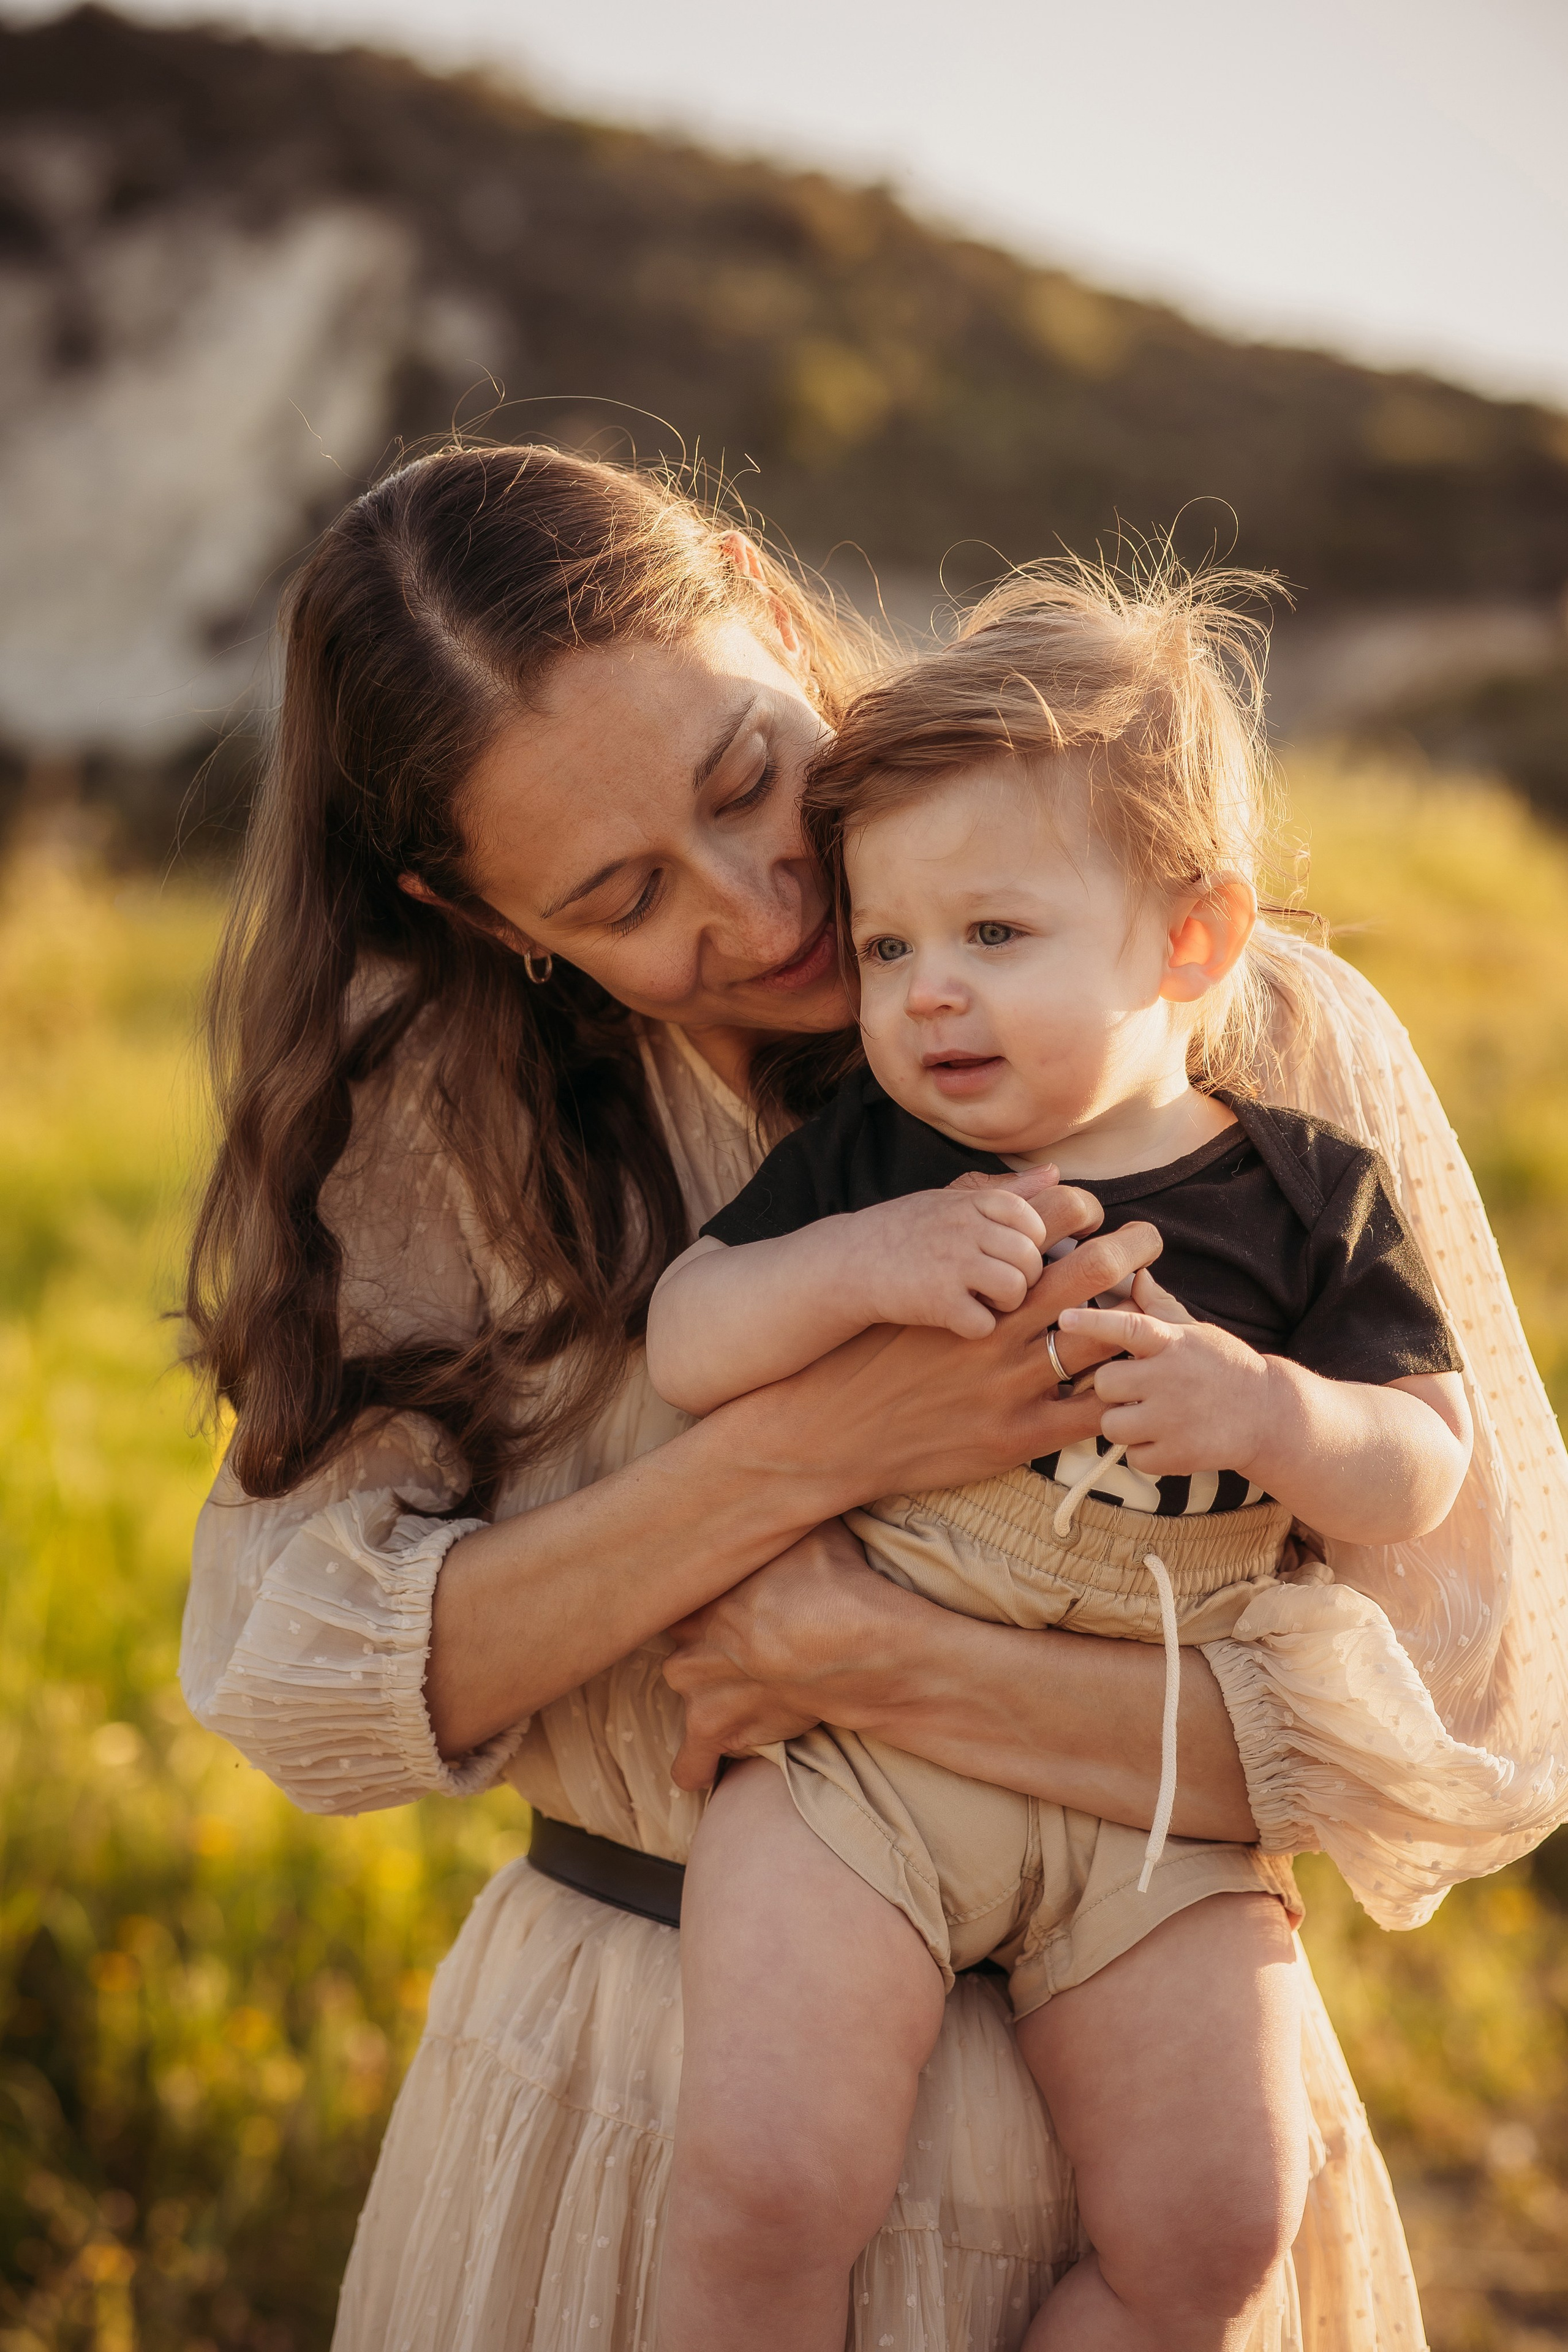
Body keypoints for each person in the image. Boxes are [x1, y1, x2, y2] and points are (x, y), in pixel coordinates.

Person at [177, 444, 1568, 2352]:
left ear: (766, 597)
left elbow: (1476, 1726)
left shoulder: (1271, 1049)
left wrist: (881, 1663)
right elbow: (304, 1694)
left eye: (751, 779)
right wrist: (823, 1451)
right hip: (654, 2100)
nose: (761, 911)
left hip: (1151, 2080)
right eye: (620, 896)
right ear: (487, 912)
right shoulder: (436, 1132)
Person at [644, 569, 1472, 2351]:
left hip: (1154, 1799)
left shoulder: (1306, 1191)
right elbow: (688, 1333)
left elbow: (1426, 1467)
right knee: (768, 2177)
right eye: (888, 949)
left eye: (994, 937)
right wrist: (849, 1268)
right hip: (855, 1773)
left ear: (1191, 940)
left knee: (1217, 2229)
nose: (927, 997)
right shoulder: (873, 1152)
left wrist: (1274, 1417)